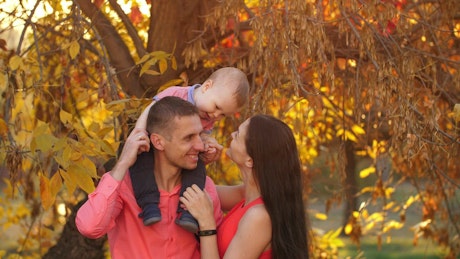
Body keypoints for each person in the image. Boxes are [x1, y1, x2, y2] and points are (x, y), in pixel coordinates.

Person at [75, 97, 224, 258]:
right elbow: (90, 228)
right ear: (158, 142)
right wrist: (123, 163)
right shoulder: (123, 185)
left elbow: (215, 249)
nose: (200, 146)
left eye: (199, 135)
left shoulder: (203, 188)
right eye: (188, 138)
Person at [131, 67, 249, 233]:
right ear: (207, 86)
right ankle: (149, 205)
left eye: (222, 114)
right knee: (141, 166)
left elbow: (200, 139)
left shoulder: (208, 117)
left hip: (178, 157)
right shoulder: (177, 94)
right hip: (151, 145)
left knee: (197, 170)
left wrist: (207, 144)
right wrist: (139, 133)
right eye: (216, 106)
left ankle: (187, 210)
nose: (215, 115)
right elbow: (149, 110)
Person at [180, 115, 310, 259]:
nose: (231, 134)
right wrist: (197, 161)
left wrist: (207, 223)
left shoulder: (259, 216)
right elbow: (194, 191)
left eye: (238, 134)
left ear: (250, 160)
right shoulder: (246, 195)